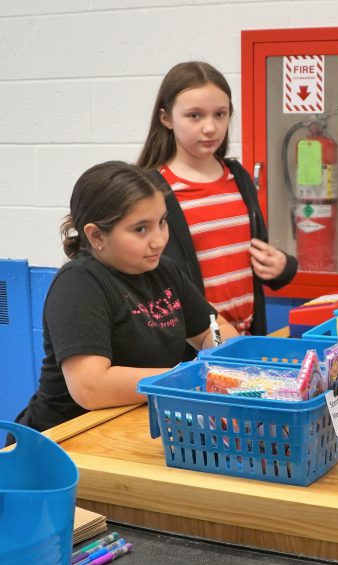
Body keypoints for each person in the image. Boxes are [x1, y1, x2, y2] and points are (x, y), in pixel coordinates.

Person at [12, 161, 235, 439]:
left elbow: (215, 328)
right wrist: (187, 378)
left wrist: (217, 359)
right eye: (140, 229)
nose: (158, 240)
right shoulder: (79, 283)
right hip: (63, 439)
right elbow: (90, 388)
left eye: (162, 222)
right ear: (96, 235)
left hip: (127, 424)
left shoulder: (163, 269)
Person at [138, 61, 297, 338]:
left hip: (247, 337)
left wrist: (282, 266)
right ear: (166, 118)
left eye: (220, 114)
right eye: (194, 116)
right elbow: (146, 276)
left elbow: (254, 259)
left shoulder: (239, 177)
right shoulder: (151, 189)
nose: (210, 128)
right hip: (193, 343)